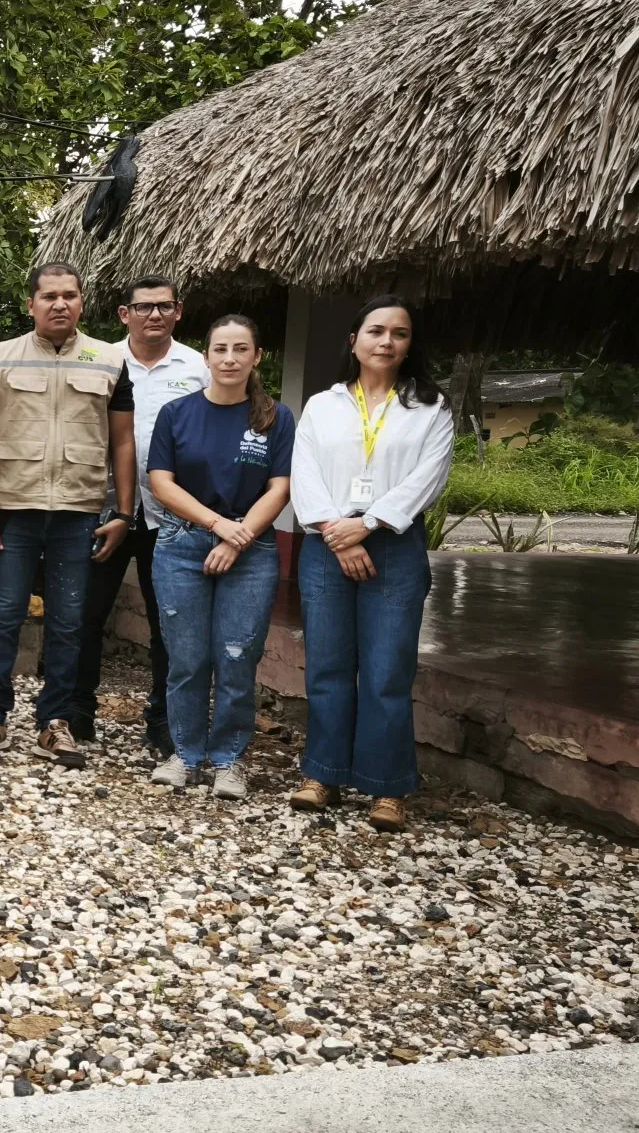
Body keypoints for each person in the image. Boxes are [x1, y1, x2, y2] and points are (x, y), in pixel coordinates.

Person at [288, 295, 453, 831]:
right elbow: (304, 473)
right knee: (329, 665)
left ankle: (387, 788)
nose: (386, 342)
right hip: (326, 541)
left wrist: (371, 524)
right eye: (376, 331)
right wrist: (339, 531)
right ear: (354, 340)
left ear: (410, 346)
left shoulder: (431, 407)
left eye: (399, 334)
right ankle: (322, 773)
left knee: (386, 669)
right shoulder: (323, 405)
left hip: (393, 545)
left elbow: (428, 478)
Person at [0, 262, 135, 769]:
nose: (59, 304)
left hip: (78, 512)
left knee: (69, 622)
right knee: (5, 617)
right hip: (14, 510)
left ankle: (55, 721)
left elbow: (123, 440)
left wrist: (123, 512)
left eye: (69, 295)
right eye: (49, 296)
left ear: (82, 302)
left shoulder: (108, 360)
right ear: (31, 304)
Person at [145, 315, 295, 799]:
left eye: (240, 349)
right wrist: (217, 526)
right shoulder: (177, 413)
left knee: (237, 657)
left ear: (257, 357)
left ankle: (229, 759)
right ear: (205, 356)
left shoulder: (275, 417)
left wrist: (239, 537)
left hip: (251, 551)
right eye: (220, 349)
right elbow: (161, 482)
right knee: (186, 658)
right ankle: (185, 754)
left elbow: (281, 486)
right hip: (182, 545)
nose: (229, 358)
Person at [74, 276, 205, 753]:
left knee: (167, 620)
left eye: (164, 307)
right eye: (144, 307)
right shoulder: (101, 361)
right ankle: (77, 713)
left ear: (179, 312)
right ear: (123, 313)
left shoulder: (198, 367)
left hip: (174, 514)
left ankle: (164, 719)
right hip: (106, 507)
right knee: (86, 615)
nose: (155, 315)